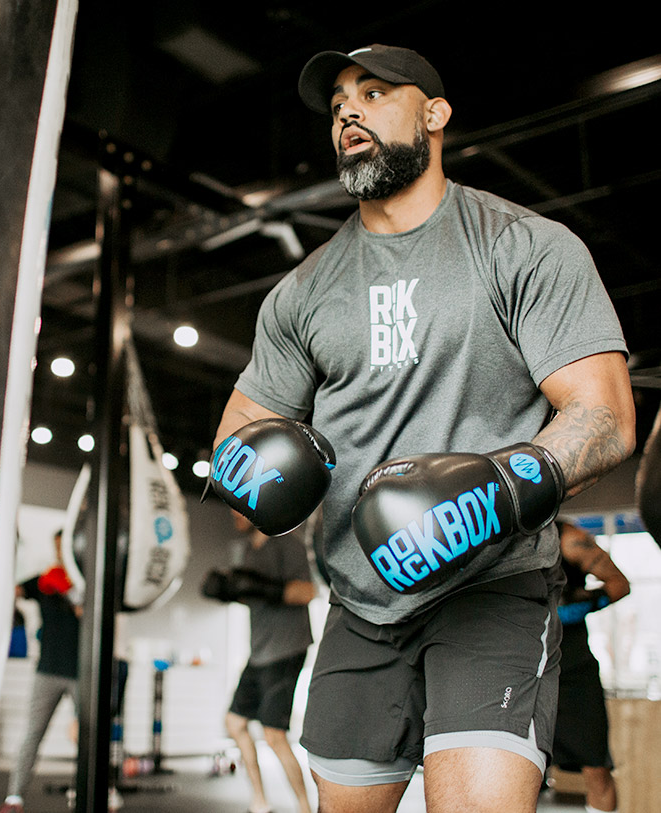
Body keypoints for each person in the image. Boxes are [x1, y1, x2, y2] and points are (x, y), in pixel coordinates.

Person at [206, 43, 637, 813]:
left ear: (434, 115)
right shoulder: (302, 294)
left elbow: (604, 417)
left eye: (374, 93)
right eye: (339, 101)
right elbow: (237, 434)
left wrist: (495, 490)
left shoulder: (522, 247)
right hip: (359, 608)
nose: (348, 110)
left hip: (493, 592)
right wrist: (247, 475)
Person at [201, 511, 315, 813]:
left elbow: (307, 592)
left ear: (257, 508)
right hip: (259, 652)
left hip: (286, 649)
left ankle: (305, 808)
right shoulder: (250, 550)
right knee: (235, 722)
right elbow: (249, 592)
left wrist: (265, 587)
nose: (232, 514)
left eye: (238, 508)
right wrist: (230, 592)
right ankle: (260, 801)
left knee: (273, 734)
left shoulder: (287, 542)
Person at [0, 530, 82, 813]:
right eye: (57, 547)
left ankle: (102, 793)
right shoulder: (44, 579)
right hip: (46, 670)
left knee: (88, 736)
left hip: (82, 673)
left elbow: (88, 612)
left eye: (64, 547)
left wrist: (69, 591)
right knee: (32, 734)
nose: (61, 552)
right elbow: (13, 591)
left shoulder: (85, 580)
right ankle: (14, 798)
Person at [551, 519, 630, 813]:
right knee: (515, 765)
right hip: (519, 671)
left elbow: (619, 585)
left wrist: (569, 610)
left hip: (573, 670)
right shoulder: (493, 533)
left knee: (596, 769)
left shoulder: (569, 538)